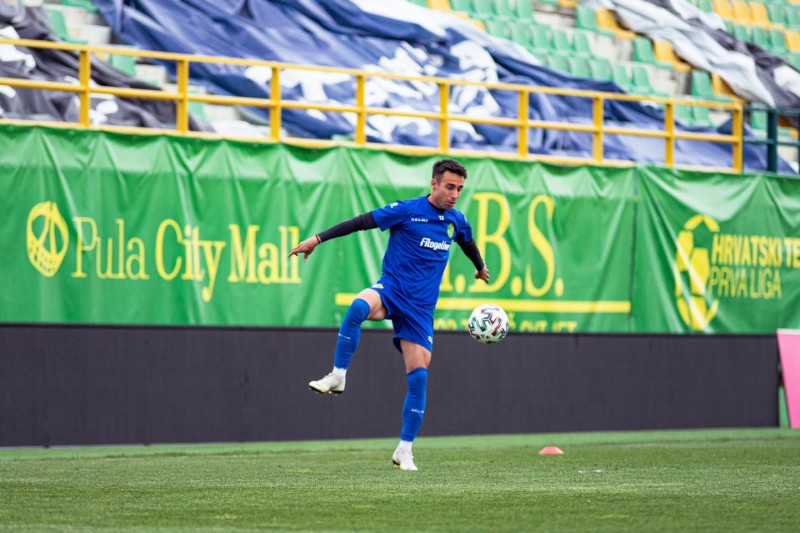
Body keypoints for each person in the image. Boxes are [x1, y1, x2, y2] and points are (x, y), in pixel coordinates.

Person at [288, 159, 490, 471]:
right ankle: (338, 375)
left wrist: (479, 266)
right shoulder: (406, 210)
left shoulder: (456, 220)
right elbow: (360, 222)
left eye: (460, 189)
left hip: (420, 309)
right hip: (392, 289)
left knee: (419, 376)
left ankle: (404, 450)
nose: (454, 194)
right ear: (434, 184)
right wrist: (318, 238)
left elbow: (468, 242)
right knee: (358, 307)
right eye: (449, 187)